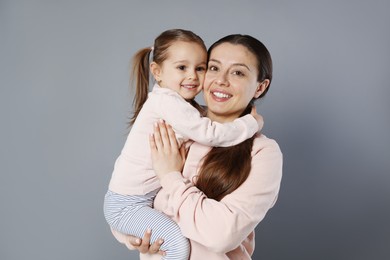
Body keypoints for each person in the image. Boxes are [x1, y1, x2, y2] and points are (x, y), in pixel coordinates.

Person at [112, 34, 283, 260]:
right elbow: (130, 205)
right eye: (213, 68)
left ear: (260, 87)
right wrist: (137, 238)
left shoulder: (263, 153)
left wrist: (171, 175)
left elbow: (221, 234)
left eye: (238, 72)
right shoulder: (178, 125)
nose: (221, 80)